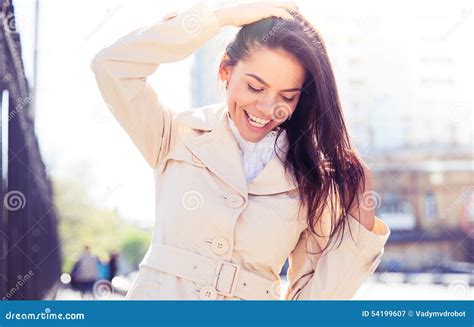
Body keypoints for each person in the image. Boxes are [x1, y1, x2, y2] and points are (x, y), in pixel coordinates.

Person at [91, 1, 391, 300]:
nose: (267, 108)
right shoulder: (175, 135)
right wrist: (221, 18)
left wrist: (359, 218)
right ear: (226, 70)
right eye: (255, 88)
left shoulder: (312, 176)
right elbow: (112, 65)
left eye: (287, 96)